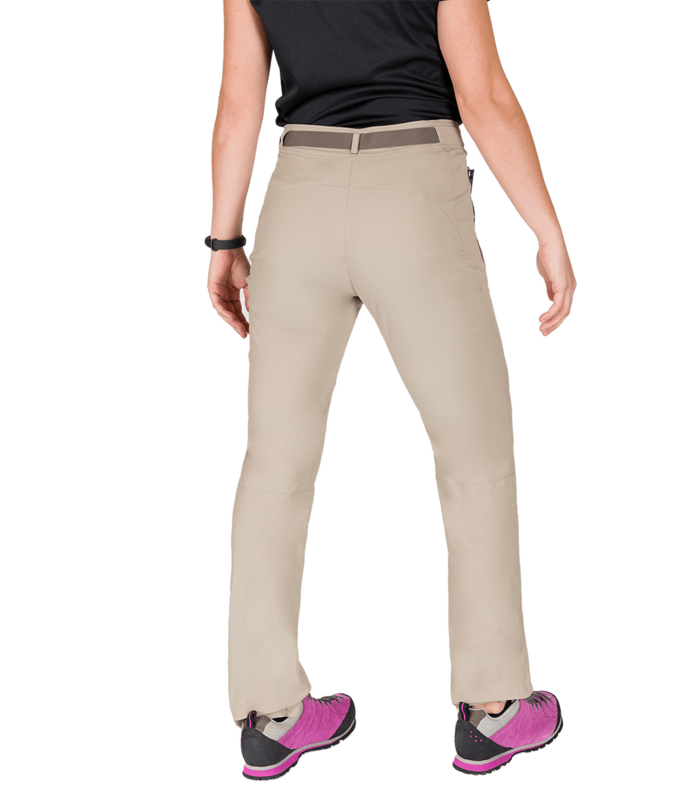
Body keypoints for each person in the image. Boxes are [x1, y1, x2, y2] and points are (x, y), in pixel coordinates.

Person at [207, 0, 576, 780]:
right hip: (413, 194)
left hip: (298, 196)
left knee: (275, 466)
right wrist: (546, 229)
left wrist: (224, 238)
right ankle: (495, 708)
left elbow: (239, 101)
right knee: (473, 453)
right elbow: (484, 95)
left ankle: (271, 716)